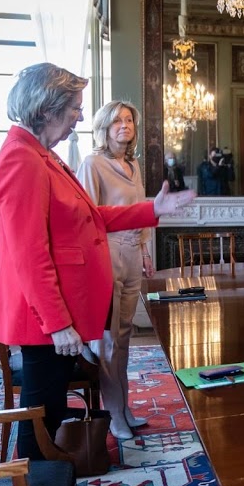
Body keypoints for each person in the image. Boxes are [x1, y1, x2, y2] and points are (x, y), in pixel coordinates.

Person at [0, 63, 197, 460]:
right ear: (47, 109)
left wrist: (153, 208)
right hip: (43, 320)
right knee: (42, 422)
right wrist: (58, 323)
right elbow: (29, 254)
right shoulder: (22, 160)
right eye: (75, 108)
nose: (81, 117)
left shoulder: (42, 155)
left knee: (50, 417)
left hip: (53, 315)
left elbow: (91, 217)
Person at [76, 101, 155, 440]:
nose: (125, 125)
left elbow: (141, 210)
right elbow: (87, 218)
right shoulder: (93, 164)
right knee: (107, 340)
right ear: (104, 128)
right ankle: (112, 415)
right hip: (107, 252)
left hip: (132, 253)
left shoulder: (134, 165)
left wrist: (145, 249)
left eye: (129, 120)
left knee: (124, 338)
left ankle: (124, 406)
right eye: (117, 121)